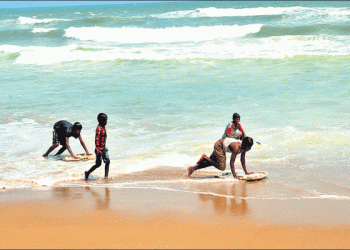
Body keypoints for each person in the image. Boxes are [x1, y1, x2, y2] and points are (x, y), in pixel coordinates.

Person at [187, 137, 254, 179]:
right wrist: (235, 175)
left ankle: (192, 168)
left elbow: (242, 160)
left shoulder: (243, 148)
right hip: (219, 146)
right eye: (249, 147)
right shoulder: (236, 148)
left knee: (212, 162)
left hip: (222, 146)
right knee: (222, 167)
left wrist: (246, 172)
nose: (250, 149)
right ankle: (205, 157)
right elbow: (232, 162)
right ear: (245, 145)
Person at [85, 113, 110, 180]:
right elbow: (97, 138)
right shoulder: (99, 128)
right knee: (99, 164)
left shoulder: (103, 127)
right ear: (101, 121)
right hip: (99, 149)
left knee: (107, 161)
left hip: (103, 148)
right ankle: (87, 173)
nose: (106, 122)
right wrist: (97, 149)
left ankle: (106, 177)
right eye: (105, 120)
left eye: (106, 120)